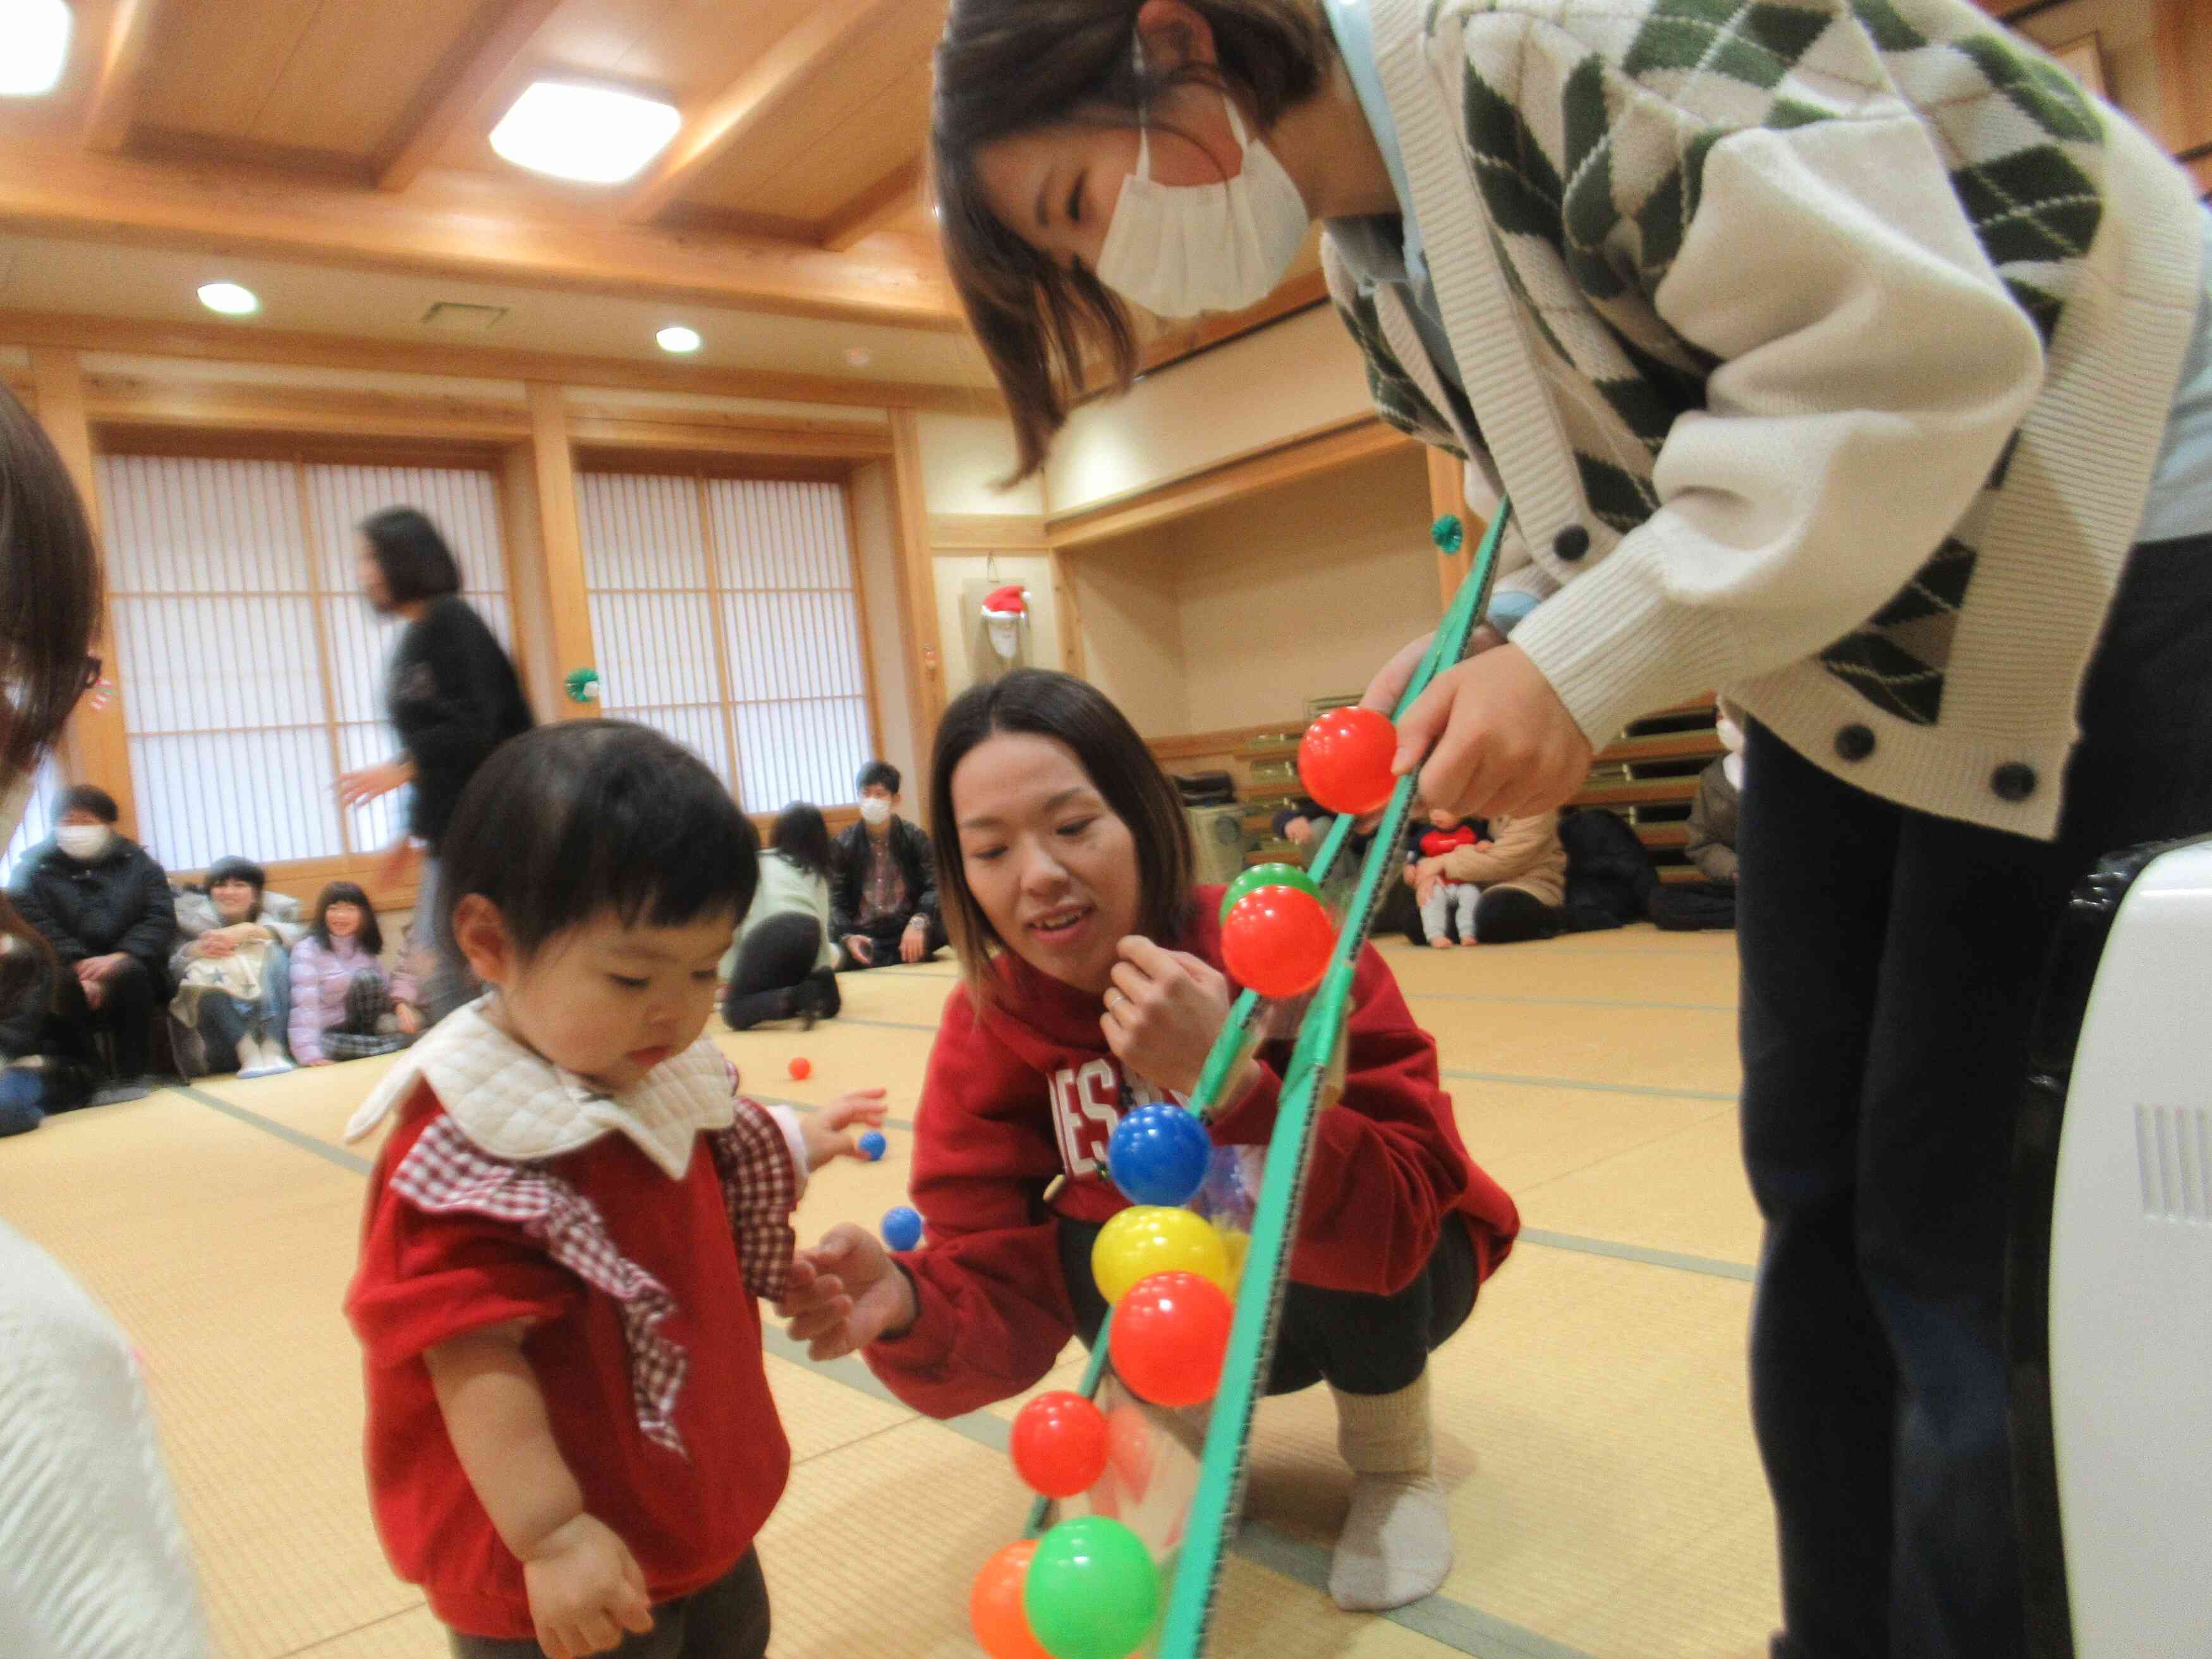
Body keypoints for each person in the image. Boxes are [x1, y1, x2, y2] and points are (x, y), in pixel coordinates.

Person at [931, 4, 2209, 1652]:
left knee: (1966, 1214)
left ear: (1170, 39)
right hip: (1854, 600)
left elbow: (1912, 354)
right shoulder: (1375, 256)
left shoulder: (1553, 38)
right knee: (1818, 1177)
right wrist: (1506, 622)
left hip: (2093, 515)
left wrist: (1579, 655)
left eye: (1079, 213)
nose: (1122, 273)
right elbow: (1616, 480)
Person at [777, 670, 1519, 1613]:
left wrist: (1242, 1086)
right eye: (991, 849)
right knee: (1099, 1231)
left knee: (1286, 1175)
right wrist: (912, 1302)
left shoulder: (1275, 943)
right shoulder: (991, 1019)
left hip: (1377, 1289)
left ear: (1140, 819)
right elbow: (999, 1278)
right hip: (1186, 1334)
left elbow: (1405, 1210)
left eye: (1074, 827)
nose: (1038, 874)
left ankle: (1393, 1468)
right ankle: (1195, 1444)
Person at [343, 720, 887, 1659]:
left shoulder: (637, 1059)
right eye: (633, 974)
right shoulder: (469, 1139)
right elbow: (472, 1360)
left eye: (706, 969)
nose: (676, 1010)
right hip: (554, 1561)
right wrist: (548, 1535)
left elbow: (690, 1158)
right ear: (490, 943)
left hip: (682, 1499)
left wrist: (791, 1169)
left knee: (734, 1635)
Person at [0, 380, 213, 1652]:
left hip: (112, 986)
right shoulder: (27, 1360)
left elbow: (146, 926)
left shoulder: (121, 862)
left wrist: (112, 960)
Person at [336, 507, 533, 1027]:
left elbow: (479, 724)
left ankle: (486, 1085)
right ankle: (488, 1084)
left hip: (499, 822)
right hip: (456, 829)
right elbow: (433, 753)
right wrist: (410, 833)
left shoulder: (452, 622)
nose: (364, 573)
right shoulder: (415, 637)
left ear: (407, 558)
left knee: (451, 963)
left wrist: (402, 768)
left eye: (371, 558)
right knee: (448, 963)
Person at [9, 785, 176, 1105]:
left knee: (130, 973)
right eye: (68, 821)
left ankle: (133, 1074)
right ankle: (90, 1077)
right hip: (62, 965)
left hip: (134, 963)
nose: (75, 830)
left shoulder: (141, 865)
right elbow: (33, 926)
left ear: (107, 824)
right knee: (61, 984)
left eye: (85, 821)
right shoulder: (31, 870)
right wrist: (79, 965)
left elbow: (160, 918)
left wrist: (121, 955)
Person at [167, 856, 298, 1079]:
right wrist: (193, 951)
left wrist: (249, 931)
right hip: (220, 1045)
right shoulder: (190, 925)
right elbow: (170, 973)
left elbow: (302, 938)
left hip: (280, 1044)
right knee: (207, 965)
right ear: (210, 894)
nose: (229, 892)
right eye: (220, 885)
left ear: (256, 895)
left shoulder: (274, 919)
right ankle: (247, 1050)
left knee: (273, 951)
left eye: (239, 885)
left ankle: (272, 1046)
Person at [721, 803, 842, 1032]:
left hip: (769, 932)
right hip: (808, 931)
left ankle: (794, 998)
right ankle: (819, 990)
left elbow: (736, 922)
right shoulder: (814, 871)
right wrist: (823, 970)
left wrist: (730, 976)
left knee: (733, 1012)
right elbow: (821, 923)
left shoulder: (758, 862)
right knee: (779, 976)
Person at [829, 761, 945, 971]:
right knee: (833, 948)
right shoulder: (843, 843)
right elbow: (834, 900)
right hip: (864, 933)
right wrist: (848, 936)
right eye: (866, 793)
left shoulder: (914, 837)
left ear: (896, 799)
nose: (872, 800)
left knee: (945, 926)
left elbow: (934, 886)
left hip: (905, 927)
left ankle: (905, 950)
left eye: (880, 794)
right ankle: (878, 955)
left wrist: (918, 923)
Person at [289, 882, 421, 1067]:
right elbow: (305, 1008)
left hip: (366, 1029)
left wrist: (400, 1007)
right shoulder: (306, 950)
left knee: (369, 979)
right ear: (323, 914)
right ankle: (401, 1045)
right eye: (334, 909)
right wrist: (309, 1054)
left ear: (363, 915)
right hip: (331, 1034)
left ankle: (381, 1045)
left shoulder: (365, 949)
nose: (340, 916)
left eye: (350, 909)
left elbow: (380, 994)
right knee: (331, 1047)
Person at [1404, 810, 1567, 946]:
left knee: (1495, 912)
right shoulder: (1474, 799)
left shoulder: (1537, 801)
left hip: (1528, 884)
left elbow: (1507, 859)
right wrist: (1426, 876)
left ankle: (1556, 919)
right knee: (1416, 923)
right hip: (1473, 885)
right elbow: (1433, 849)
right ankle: (1471, 931)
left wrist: (1443, 863)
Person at [1684, 705, 1745, 889]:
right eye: (1720, 717)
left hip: (1788, 880)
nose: (1725, 723)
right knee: (1664, 901)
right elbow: (1701, 843)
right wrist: (1735, 870)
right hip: (1739, 885)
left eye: (1731, 714)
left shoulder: (1787, 768)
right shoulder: (1713, 778)